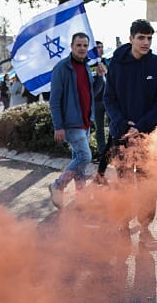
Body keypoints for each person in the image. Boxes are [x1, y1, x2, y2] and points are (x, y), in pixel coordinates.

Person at [101, 18, 157, 250]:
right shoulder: (116, 64)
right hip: (121, 134)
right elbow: (108, 98)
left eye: (149, 38)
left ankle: (145, 229)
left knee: (148, 183)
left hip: (148, 136)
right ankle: (122, 225)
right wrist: (122, 124)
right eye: (141, 37)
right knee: (124, 182)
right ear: (131, 38)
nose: (146, 42)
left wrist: (140, 125)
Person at [48, 32, 96, 209]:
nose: (82, 48)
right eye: (79, 45)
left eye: (85, 45)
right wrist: (58, 126)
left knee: (79, 161)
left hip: (85, 121)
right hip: (71, 123)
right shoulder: (62, 68)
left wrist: (100, 78)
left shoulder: (86, 67)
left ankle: (81, 199)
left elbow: (91, 93)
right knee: (85, 156)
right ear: (71, 46)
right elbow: (54, 100)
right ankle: (58, 185)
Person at [91, 41, 107, 162]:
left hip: (110, 101)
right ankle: (102, 153)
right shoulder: (90, 63)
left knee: (114, 127)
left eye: (101, 47)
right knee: (99, 129)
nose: (99, 49)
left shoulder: (107, 61)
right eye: (97, 47)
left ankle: (114, 151)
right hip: (96, 101)